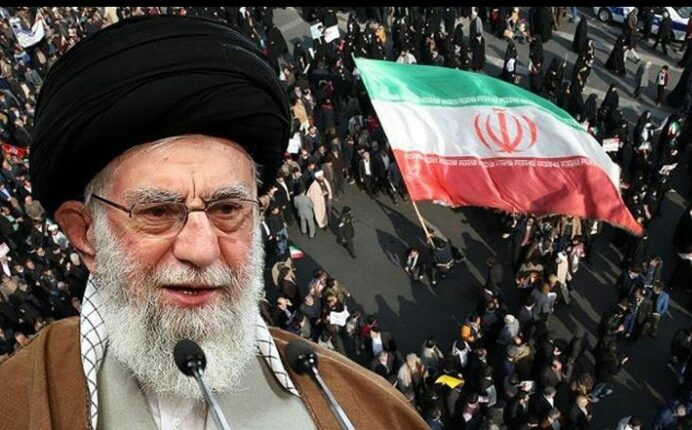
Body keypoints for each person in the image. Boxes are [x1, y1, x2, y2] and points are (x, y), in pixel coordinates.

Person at [0, 16, 426, 430]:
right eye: (157, 213)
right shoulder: (18, 399)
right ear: (85, 233)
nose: (202, 249)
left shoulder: (367, 408)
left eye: (226, 210)